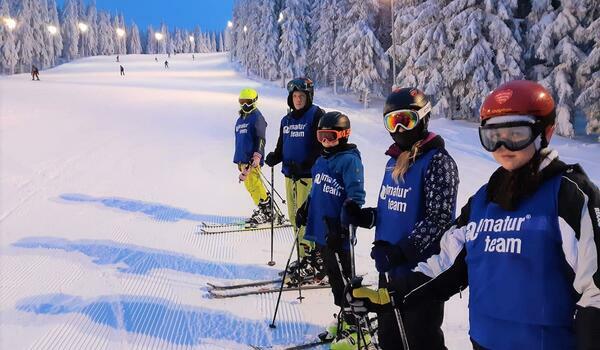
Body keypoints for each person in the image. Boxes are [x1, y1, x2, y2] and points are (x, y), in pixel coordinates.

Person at [347, 80, 600, 350]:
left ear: (545, 131)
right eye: (492, 136)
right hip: (482, 341)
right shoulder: (482, 201)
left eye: (516, 133)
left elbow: (595, 291)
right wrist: (388, 296)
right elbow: (444, 264)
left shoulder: (568, 196)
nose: (503, 145)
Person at [342, 87, 459, 349]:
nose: (400, 128)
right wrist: (365, 217)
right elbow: (392, 212)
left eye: (406, 119)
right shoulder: (393, 162)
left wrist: (400, 251)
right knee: (390, 338)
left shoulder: (438, 161)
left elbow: (439, 220)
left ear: (423, 118)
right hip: (390, 269)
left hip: (421, 273)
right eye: (392, 121)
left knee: (421, 339)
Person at [294, 111, 367, 347]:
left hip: (339, 234)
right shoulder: (321, 160)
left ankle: (359, 325)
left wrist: (342, 227)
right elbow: (316, 189)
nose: (325, 142)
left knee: (346, 278)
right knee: (335, 279)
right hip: (323, 231)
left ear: (344, 136)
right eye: (321, 136)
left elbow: (356, 198)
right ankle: (346, 318)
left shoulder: (349, 161)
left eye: (331, 136)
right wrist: (306, 207)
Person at [264, 77, 325, 278]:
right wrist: (276, 156)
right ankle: (303, 256)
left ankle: (312, 259)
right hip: (290, 177)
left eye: (301, 96)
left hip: (308, 178)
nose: (298, 99)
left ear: (309, 96)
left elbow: (322, 146)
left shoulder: (316, 115)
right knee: (293, 217)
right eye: (295, 96)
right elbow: (283, 145)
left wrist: (308, 164)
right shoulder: (286, 120)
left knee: (305, 219)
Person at [233, 88, 274, 226]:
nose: (245, 105)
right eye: (242, 102)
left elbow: (261, 138)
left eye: (248, 102)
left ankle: (267, 212)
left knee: (255, 184)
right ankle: (263, 208)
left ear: (254, 102)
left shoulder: (257, 117)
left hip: (252, 159)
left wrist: (257, 155)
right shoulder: (241, 119)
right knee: (250, 186)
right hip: (242, 159)